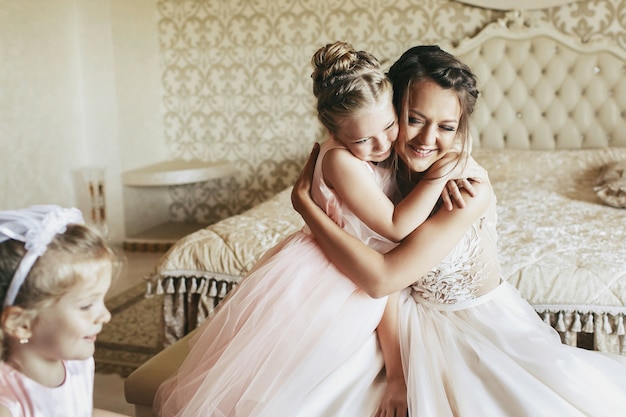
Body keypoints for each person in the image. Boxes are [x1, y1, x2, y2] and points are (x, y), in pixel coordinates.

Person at [292, 45, 626, 416]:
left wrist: (306, 207)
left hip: (478, 332)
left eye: (446, 127)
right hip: (399, 326)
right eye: (414, 119)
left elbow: (384, 277)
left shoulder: (466, 189)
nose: (426, 140)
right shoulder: (380, 169)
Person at [154, 42, 481, 417]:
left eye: (390, 125)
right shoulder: (343, 161)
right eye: (363, 140)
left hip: (365, 266)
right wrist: (441, 174)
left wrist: (458, 160)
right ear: (335, 132)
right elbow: (394, 229)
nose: (384, 144)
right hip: (336, 274)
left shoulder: (386, 146)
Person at [0, 205, 128, 417]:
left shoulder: (77, 364)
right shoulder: (8, 404)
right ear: (21, 324)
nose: (105, 316)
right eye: (86, 305)